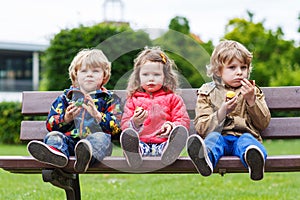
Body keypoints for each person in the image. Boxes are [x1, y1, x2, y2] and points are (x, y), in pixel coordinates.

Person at [187, 40, 270, 181]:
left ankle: (255, 162)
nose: (239, 72)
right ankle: (204, 160)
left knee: (248, 143)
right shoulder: (207, 92)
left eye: (243, 67)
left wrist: (251, 101)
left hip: (244, 135)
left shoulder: (252, 91)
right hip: (220, 136)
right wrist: (222, 112)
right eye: (232, 67)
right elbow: (201, 127)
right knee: (213, 140)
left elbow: (263, 123)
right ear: (218, 71)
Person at [27, 48, 121, 173]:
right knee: (53, 136)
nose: (89, 74)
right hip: (69, 143)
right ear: (76, 75)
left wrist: (97, 115)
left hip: (95, 145)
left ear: (104, 75)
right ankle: (56, 156)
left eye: (95, 71)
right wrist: (66, 119)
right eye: (84, 71)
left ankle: (85, 157)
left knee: (101, 138)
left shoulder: (109, 99)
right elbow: (50, 124)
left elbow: (117, 128)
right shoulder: (66, 98)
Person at [120, 46, 190, 169]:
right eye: (145, 74)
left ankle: (170, 153)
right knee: (133, 140)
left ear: (165, 77)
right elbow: (125, 124)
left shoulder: (173, 98)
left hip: (163, 143)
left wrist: (171, 126)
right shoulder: (133, 100)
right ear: (138, 77)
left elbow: (182, 120)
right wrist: (135, 122)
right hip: (141, 143)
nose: (151, 78)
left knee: (173, 140)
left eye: (156, 75)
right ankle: (133, 156)